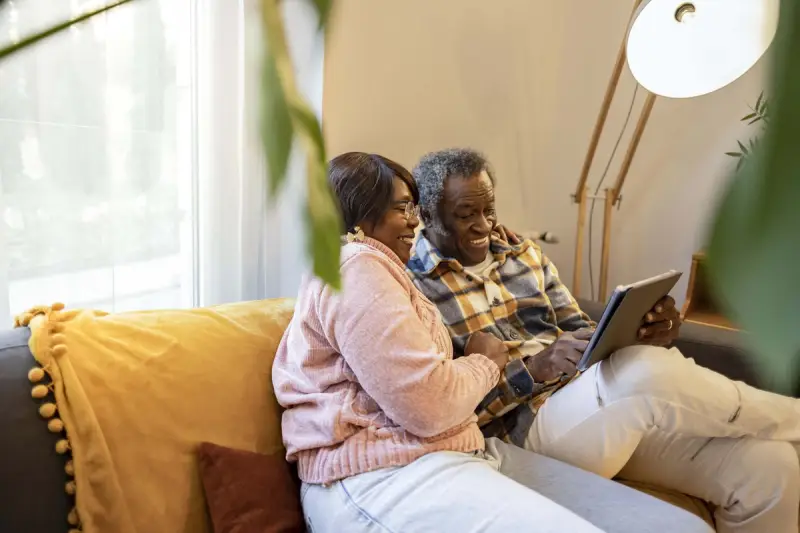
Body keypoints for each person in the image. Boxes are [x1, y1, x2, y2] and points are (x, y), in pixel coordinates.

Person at [272, 152, 713, 533]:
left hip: (458, 452)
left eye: (414, 208)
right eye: (403, 208)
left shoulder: (377, 272)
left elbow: (417, 386)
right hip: (380, 473)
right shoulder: (356, 266)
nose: (414, 221)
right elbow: (428, 405)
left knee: (679, 527)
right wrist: (485, 362)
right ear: (357, 215)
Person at [407, 147, 800, 533]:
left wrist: (643, 332)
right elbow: (444, 407)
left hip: (594, 410)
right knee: (640, 373)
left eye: (488, 209)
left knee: (770, 468)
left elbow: (580, 327)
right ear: (426, 215)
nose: (484, 225)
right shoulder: (413, 289)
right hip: (527, 431)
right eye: (465, 215)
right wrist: (534, 369)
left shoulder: (521, 253)